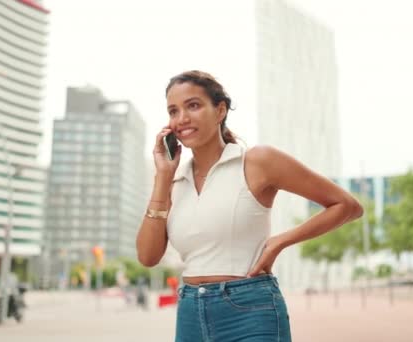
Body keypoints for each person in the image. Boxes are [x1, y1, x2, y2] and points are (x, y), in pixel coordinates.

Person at [136, 70, 363, 341]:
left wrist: (279, 241)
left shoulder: (257, 161)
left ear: (220, 110)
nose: (181, 118)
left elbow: (346, 205)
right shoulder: (174, 181)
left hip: (250, 310)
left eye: (193, 105)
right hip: (189, 314)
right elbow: (147, 257)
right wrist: (163, 177)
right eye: (173, 111)